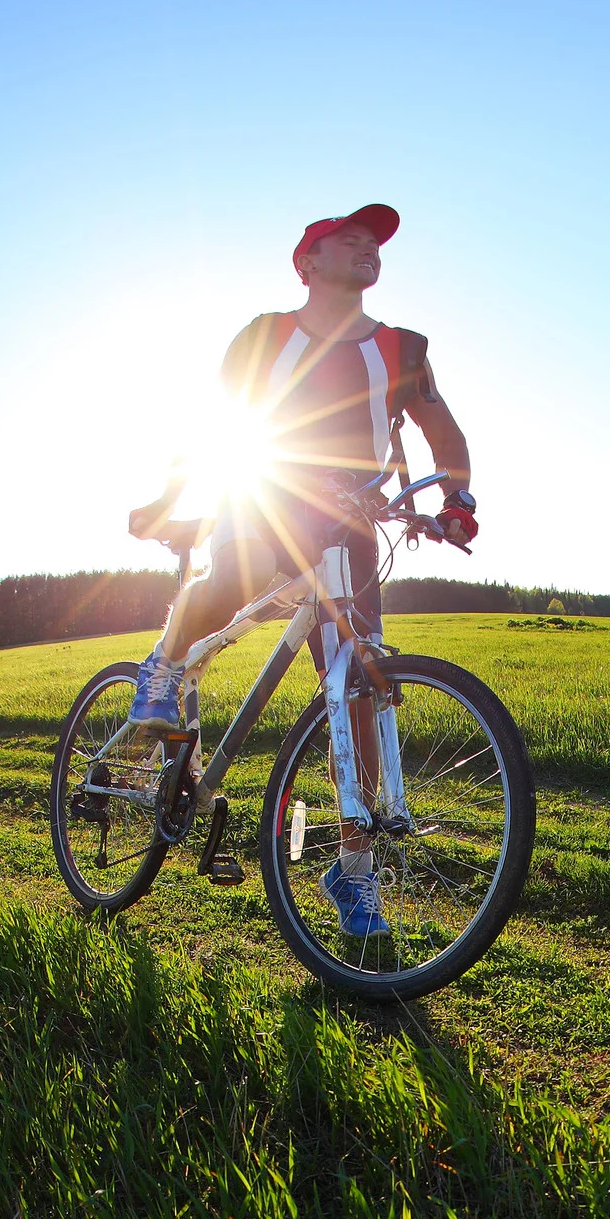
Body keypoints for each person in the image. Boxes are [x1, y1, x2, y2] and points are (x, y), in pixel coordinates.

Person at [125, 204, 477, 937]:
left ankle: (353, 876)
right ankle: (161, 671)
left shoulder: (402, 349)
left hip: (351, 524)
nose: (367, 248)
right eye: (347, 239)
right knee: (225, 583)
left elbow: (444, 434)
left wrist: (457, 499)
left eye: (374, 243)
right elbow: (210, 424)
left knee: (357, 692)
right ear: (306, 263)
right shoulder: (265, 336)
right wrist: (167, 500)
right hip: (270, 498)